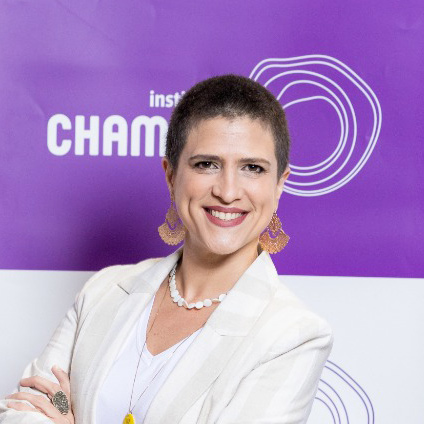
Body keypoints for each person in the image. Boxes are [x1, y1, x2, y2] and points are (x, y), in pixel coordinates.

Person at [0, 74, 333, 424]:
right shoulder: (104, 290)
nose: (228, 191)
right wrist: (49, 409)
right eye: (207, 164)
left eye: (252, 168)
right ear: (171, 175)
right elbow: (21, 412)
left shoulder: (293, 334)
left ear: (279, 185)